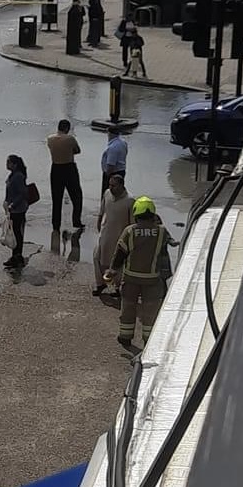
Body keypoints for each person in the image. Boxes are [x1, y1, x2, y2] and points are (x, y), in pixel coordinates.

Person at [104, 196, 175, 346]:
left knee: (128, 307)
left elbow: (120, 255)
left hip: (131, 279)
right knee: (150, 311)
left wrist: (112, 271)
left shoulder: (129, 231)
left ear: (136, 213)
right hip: (153, 280)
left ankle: (125, 336)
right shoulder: (161, 232)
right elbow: (168, 249)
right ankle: (149, 341)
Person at [93, 174, 133, 296]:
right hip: (105, 233)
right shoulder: (107, 194)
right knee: (97, 257)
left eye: (113, 185)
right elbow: (102, 211)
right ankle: (101, 284)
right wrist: (99, 224)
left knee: (117, 263)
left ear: (121, 185)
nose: (111, 188)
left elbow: (132, 223)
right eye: (109, 185)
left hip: (119, 237)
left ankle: (117, 287)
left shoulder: (130, 200)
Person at [46, 120, 83, 232]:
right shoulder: (70, 139)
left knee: (56, 199)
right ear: (67, 128)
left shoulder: (50, 139)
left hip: (55, 168)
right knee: (77, 197)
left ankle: (56, 225)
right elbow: (77, 150)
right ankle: (76, 221)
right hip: (69, 168)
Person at [3, 154, 29, 270]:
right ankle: (16, 256)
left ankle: (17, 257)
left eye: (9, 163)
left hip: (18, 209)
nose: (7, 165)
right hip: (13, 208)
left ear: (15, 164)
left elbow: (23, 193)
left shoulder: (18, 176)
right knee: (15, 232)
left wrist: (13, 204)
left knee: (17, 233)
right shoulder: (13, 175)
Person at [101, 130, 128, 194]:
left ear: (110, 134)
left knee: (108, 194)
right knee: (119, 192)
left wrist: (107, 176)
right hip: (121, 170)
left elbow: (111, 164)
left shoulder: (113, 147)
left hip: (112, 174)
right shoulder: (123, 143)